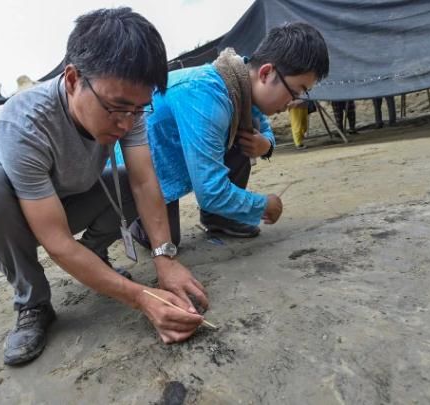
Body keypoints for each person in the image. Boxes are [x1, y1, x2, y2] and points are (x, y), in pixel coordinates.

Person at [0, 8, 209, 366]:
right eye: (116, 108)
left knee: (126, 181)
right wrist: (140, 297)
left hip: (74, 198)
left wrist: (165, 259)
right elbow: (56, 241)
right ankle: (33, 302)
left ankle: (95, 256)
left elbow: (143, 180)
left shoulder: (129, 109)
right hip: (18, 218)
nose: (126, 123)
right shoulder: (24, 121)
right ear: (74, 79)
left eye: (138, 109)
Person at [132, 23, 329, 244]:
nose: (293, 102)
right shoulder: (207, 97)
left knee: (246, 133)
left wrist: (267, 145)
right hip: (146, 171)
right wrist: (262, 204)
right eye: (294, 91)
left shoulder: (241, 86)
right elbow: (210, 192)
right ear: (266, 73)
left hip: (179, 161)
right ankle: (132, 216)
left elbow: (264, 129)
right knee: (166, 242)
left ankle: (220, 218)